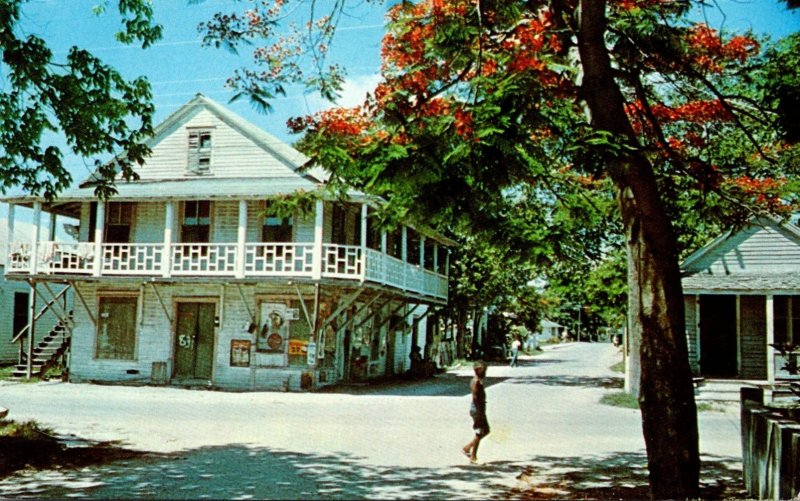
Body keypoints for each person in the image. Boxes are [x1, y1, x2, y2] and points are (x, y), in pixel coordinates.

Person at [462, 361, 490, 464]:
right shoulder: (476, 382)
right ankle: (473, 456)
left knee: (486, 430)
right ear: (477, 370)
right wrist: (480, 412)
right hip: (478, 409)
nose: (485, 372)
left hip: (480, 408)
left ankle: (467, 447)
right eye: (483, 370)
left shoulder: (479, 381)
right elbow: (475, 397)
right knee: (480, 432)